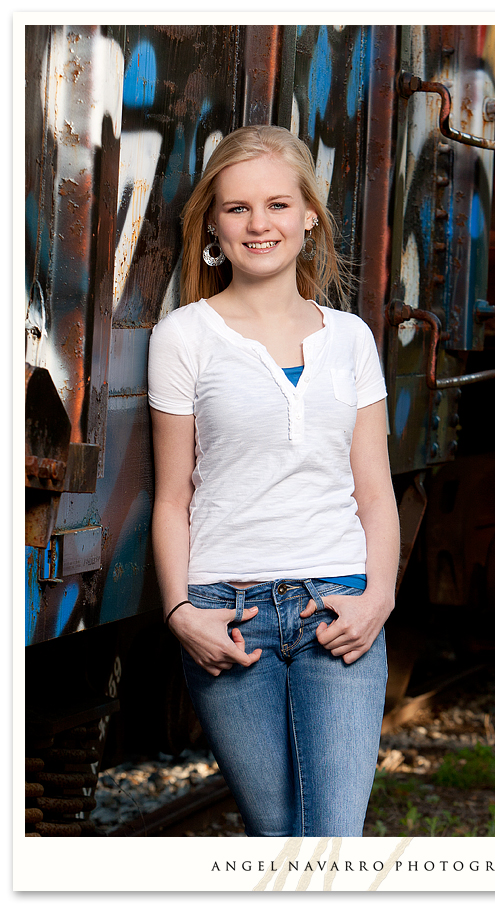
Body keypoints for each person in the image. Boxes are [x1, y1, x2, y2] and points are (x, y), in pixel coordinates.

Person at [148, 125, 400, 837]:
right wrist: (179, 615)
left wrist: (377, 598)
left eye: (278, 205)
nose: (259, 224)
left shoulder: (350, 338)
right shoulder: (184, 336)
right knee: (277, 839)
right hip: (228, 616)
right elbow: (174, 499)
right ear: (213, 226)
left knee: (330, 844)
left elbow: (375, 494)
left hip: (339, 610)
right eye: (237, 209)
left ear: (309, 216)